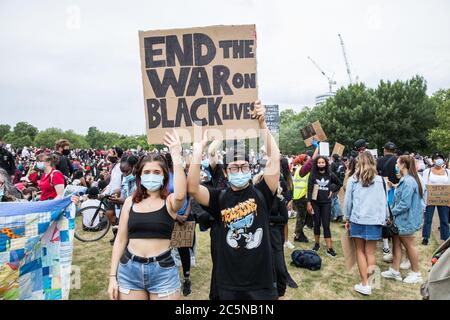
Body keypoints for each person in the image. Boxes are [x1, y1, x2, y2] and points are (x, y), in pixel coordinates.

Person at [187, 100, 280, 300]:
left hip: (260, 283)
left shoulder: (263, 193)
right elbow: (193, 188)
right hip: (227, 284)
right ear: (226, 173)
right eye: (234, 168)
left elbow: (275, 157)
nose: (240, 171)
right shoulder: (219, 197)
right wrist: (198, 150)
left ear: (251, 168)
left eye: (244, 167)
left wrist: (262, 125)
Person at [108, 130, 186, 300]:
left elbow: (181, 194)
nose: (151, 176)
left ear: (165, 176)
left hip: (163, 271)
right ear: (140, 176)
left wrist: (176, 155)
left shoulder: (171, 202)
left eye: (157, 172)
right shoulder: (130, 202)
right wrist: (112, 277)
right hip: (129, 270)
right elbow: (120, 240)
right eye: (147, 172)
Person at [344, 152, 389, 295]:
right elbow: (384, 201)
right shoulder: (381, 180)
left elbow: (348, 201)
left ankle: (365, 284)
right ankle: (370, 283)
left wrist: (347, 217)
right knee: (370, 252)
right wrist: (385, 218)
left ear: (359, 163)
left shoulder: (353, 179)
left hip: (358, 219)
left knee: (360, 251)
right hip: (375, 220)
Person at [381, 155, 425, 284]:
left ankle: (416, 273)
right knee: (396, 243)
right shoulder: (405, 180)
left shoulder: (408, 181)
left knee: (409, 245)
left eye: (397, 163)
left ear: (403, 165)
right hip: (400, 220)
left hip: (406, 220)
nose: (395, 165)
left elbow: (405, 204)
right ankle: (395, 270)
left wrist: (390, 213)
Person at [307, 155, 342, 257]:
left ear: (326, 163)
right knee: (316, 223)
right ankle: (316, 244)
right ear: (316, 164)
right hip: (315, 203)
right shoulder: (313, 174)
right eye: (319, 162)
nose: (321, 164)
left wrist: (332, 188)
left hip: (326, 203)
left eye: (323, 162)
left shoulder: (330, 174)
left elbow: (339, 183)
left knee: (326, 225)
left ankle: (329, 248)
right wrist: (309, 203)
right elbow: (309, 189)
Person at [376, 142, 400, 262]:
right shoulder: (399, 160)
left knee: (385, 218)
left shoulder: (379, 161)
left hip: (382, 191)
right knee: (395, 217)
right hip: (397, 191)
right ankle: (395, 243)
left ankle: (386, 245)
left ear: (385, 150)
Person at [422, 153, 450, 245]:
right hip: (430, 199)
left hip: (444, 199)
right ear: (433, 160)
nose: (439, 160)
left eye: (440, 159)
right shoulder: (427, 171)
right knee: (428, 219)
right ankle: (425, 237)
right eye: (437, 158)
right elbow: (424, 186)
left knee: (444, 220)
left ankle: (446, 238)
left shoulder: (448, 172)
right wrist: (424, 201)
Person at [292, 149, 318, 243]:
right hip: (300, 197)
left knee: (304, 217)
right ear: (303, 161)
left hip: (299, 196)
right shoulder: (302, 169)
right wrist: (317, 148)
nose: (308, 161)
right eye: (306, 159)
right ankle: (298, 235)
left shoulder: (300, 169)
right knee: (301, 218)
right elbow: (311, 161)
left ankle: (300, 233)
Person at [330, 153, 346, 222]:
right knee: (335, 199)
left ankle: (331, 215)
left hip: (334, 183)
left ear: (333, 158)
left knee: (332, 199)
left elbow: (330, 173)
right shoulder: (342, 163)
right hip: (340, 182)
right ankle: (339, 215)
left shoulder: (333, 164)